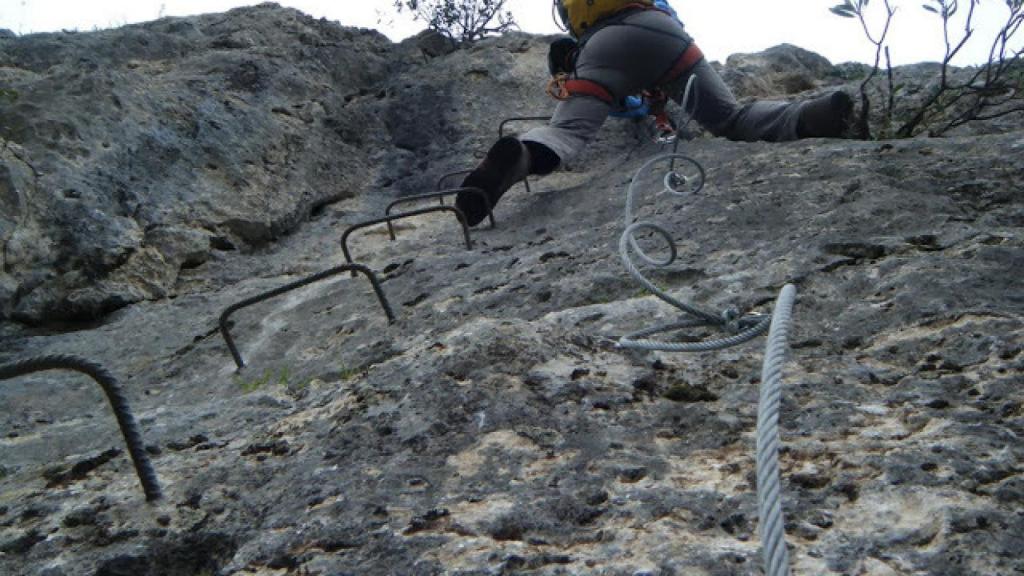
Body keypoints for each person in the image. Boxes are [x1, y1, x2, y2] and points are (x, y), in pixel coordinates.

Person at [455, 0, 853, 226]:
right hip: (664, 34)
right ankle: (812, 115)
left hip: (602, 46)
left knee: (568, 133)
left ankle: (520, 154)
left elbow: (619, 101)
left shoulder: (577, 9)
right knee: (730, 118)